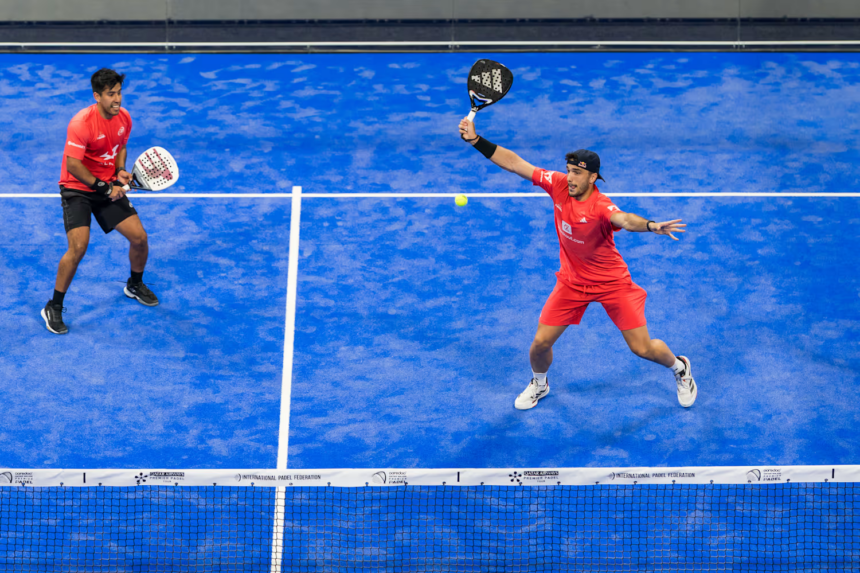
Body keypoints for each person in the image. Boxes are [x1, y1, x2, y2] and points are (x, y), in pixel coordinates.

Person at [458, 117, 697, 410]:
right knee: (540, 344)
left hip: (612, 284)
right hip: (572, 283)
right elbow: (515, 164)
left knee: (642, 348)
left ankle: (680, 368)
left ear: (592, 177)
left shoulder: (601, 206)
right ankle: (539, 383)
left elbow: (624, 219)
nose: (570, 178)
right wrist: (476, 140)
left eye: (577, 173)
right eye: (569, 170)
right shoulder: (558, 184)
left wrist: (650, 225)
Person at [42, 68, 158, 335]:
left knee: (140, 238)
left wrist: (120, 171)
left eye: (119, 93)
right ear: (97, 96)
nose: (117, 99)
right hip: (78, 190)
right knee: (78, 247)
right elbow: (73, 165)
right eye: (110, 94)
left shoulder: (123, 117)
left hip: (107, 185)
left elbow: (120, 146)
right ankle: (54, 305)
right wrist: (105, 188)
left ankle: (134, 284)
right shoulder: (81, 123)